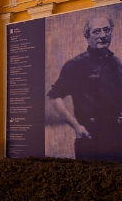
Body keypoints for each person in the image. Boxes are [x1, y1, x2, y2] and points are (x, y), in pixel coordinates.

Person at [47, 15, 122, 161]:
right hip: (90, 137)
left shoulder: (117, 63)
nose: (102, 35)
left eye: (106, 30)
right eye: (96, 32)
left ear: (111, 32)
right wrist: (76, 126)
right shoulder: (75, 65)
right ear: (87, 37)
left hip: (117, 137)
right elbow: (54, 97)